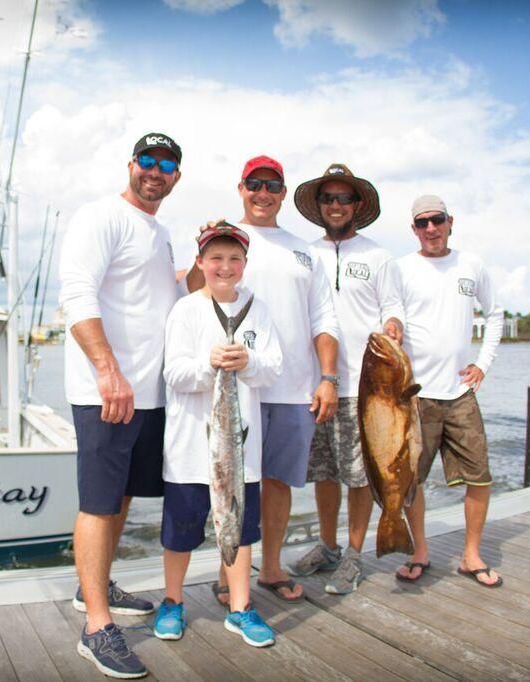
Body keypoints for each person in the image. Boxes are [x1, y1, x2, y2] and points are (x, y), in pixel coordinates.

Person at [58, 132, 183, 678]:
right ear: (131, 165)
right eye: (148, 161)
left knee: (123, 496)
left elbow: (166, 297)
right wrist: (108, 371)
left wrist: (206, 261)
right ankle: (97, 628)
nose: (156, 171)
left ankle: (97, 588)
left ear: (177, 176)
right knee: (98, 501)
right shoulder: (100, 216)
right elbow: (77, 293)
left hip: (149, 393)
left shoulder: (160, 233)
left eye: (167, 165)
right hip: (107, 390)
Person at [191, 156, 340, 604]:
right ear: (241, 188)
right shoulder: (226, 238)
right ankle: (227, 569)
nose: (262, 192)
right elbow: (195, 290)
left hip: (294, 388)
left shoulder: (305, 250)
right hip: (234, 388)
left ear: (282, 191)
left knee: (276, 481)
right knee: (228, 480)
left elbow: (323, 317)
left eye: (271, 184)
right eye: (254, 184)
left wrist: (328, 377)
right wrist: (202, 238)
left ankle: (271, 567)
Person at [156, 224, 282, 647]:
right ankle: (172, 601)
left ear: (244, 264)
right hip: (191, 449)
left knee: (241, 530)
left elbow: (272, 367)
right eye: (216, 258)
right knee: (181, 531)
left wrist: (246, 361)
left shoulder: (258, 309)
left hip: (241, 448)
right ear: (200, 262)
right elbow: (174, 374)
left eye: (233, 259)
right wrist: (209, 364)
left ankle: (240, 607)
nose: (224, 267)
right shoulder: (185, 310)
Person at [288, 164, 405, 594]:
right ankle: (328, 546)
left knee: (359, 475)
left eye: (343, 198)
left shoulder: (378, 256)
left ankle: (355, 554)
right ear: (318, 206)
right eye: (327, 199)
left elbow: (394, 307)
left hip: (366, 389)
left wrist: (393, 325)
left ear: (357, 205)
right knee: (324, 471)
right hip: (318, 384)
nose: (335, 205)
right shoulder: (304, 254)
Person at [392, 195, 504, 588]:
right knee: (409, 481)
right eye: (421, 223)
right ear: (414, 229)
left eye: (436, 220)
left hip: (460, 393)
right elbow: (389, 316)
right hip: (415, 395)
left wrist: (483, 364)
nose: (430, 229)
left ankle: (471, 555)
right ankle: (419, 550)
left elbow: (494, 314)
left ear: (450, 221)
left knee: (480, 476)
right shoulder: (401, 268)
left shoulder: (471, 265)